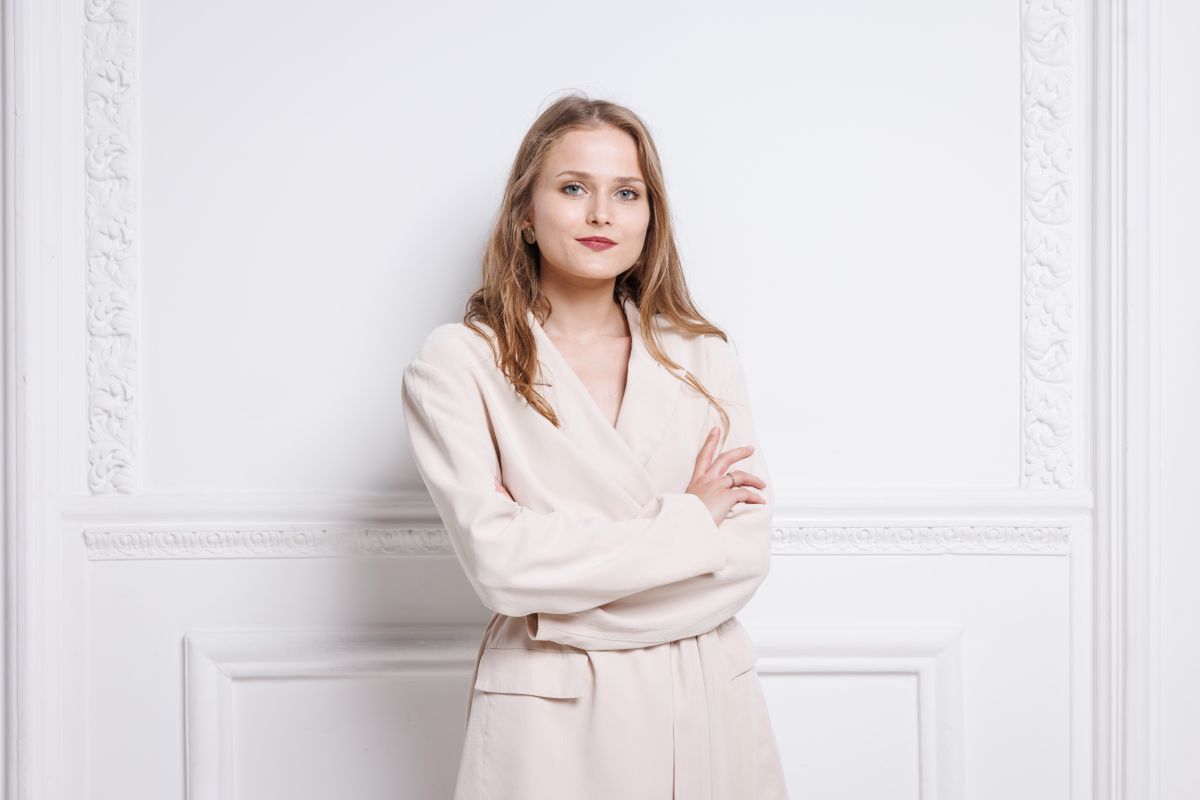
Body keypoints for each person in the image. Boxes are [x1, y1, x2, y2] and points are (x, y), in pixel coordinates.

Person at [401, 93, 789, 799]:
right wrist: (690, 522)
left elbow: (742, 558)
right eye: (574, 188)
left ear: (650, 216)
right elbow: (501, 566)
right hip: (552, 715)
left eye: (627, 192)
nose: (602, 213)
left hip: (700, 701)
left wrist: (558, 601)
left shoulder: (704, 357)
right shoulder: (460, 363)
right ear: (525, 213)